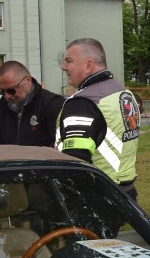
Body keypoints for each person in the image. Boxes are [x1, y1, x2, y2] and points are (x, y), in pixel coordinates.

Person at [55, 38, 141, 201]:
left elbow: (75, 160)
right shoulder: (122, 93)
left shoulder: (83, 102)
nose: (63, 67)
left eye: (69, 61)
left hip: (95, 195)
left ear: (88, 65)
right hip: (125, 191)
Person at [0, 61, 65, 147]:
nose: (6, 96)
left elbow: (58, 146)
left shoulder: (52, 104)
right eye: (1, 91)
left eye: (11, 90)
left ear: (28, 81)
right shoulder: (4, 106)